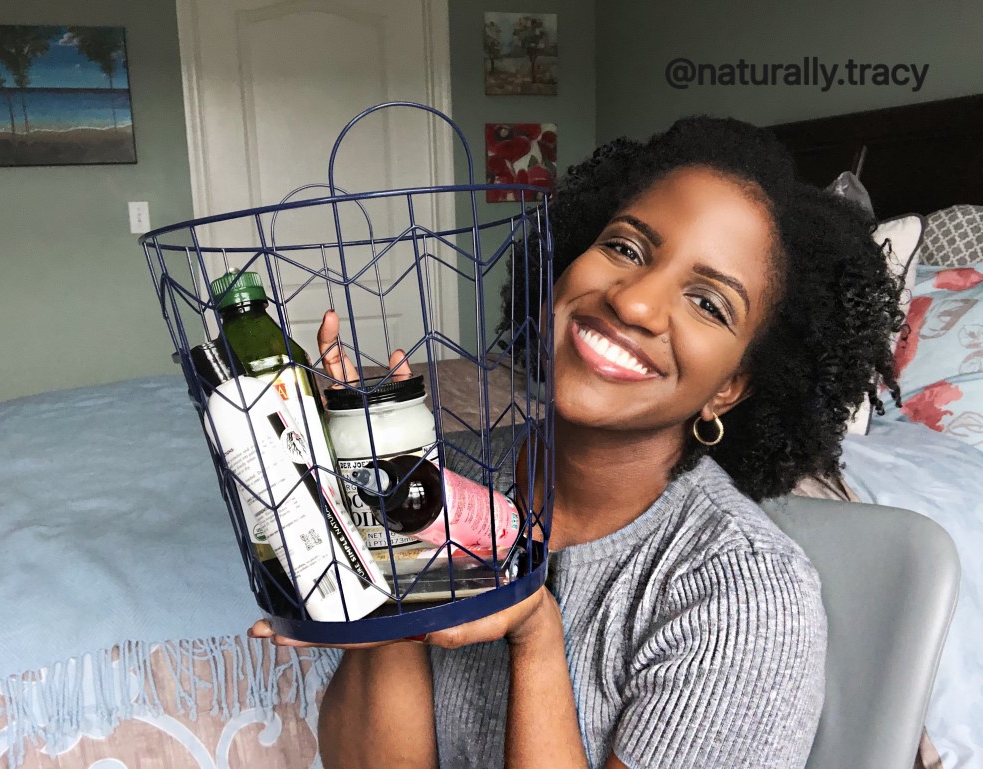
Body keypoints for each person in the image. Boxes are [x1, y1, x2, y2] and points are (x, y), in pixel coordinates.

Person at [249, 115, 904, 768]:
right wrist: (383, 527)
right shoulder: (455, 484)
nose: (635, 302)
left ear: (728, 388)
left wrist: (536, 634)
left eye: (709, 303)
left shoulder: (747, 602)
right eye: (626, 248)